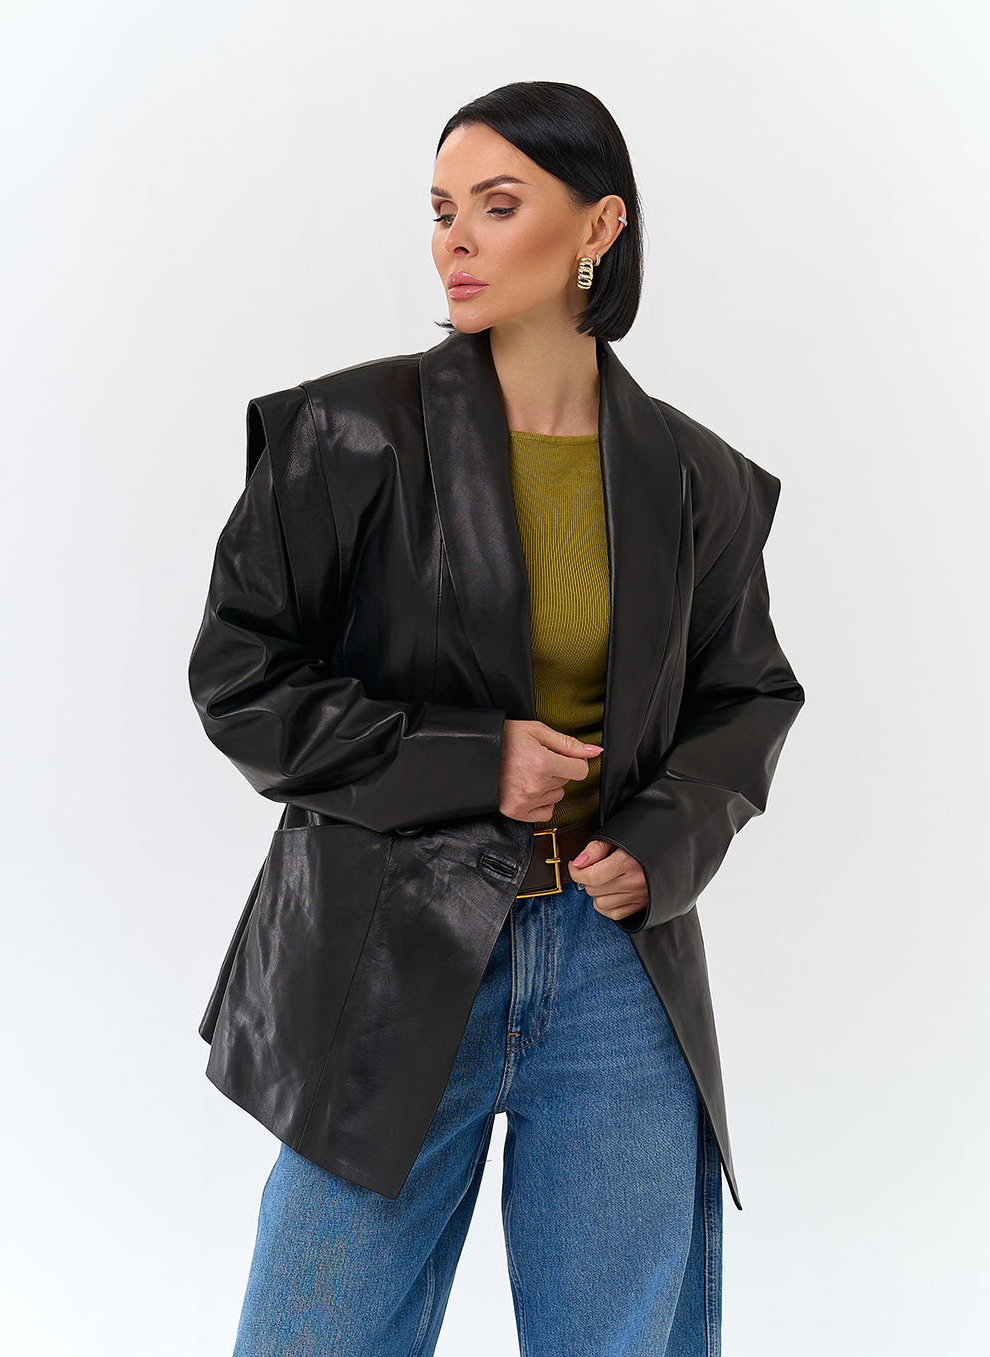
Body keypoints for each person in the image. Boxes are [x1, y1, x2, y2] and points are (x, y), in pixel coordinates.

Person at [189, 80, 804, 1357]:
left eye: (497, 204)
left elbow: (746, 693)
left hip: (615, 967)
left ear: (598, 228)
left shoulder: (695, 477)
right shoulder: (345, 435)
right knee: (312, 1332)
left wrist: (666, 837)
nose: (453, 240)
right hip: (394, 948)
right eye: (440, 210)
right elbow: (241, 675)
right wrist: (473, 760)